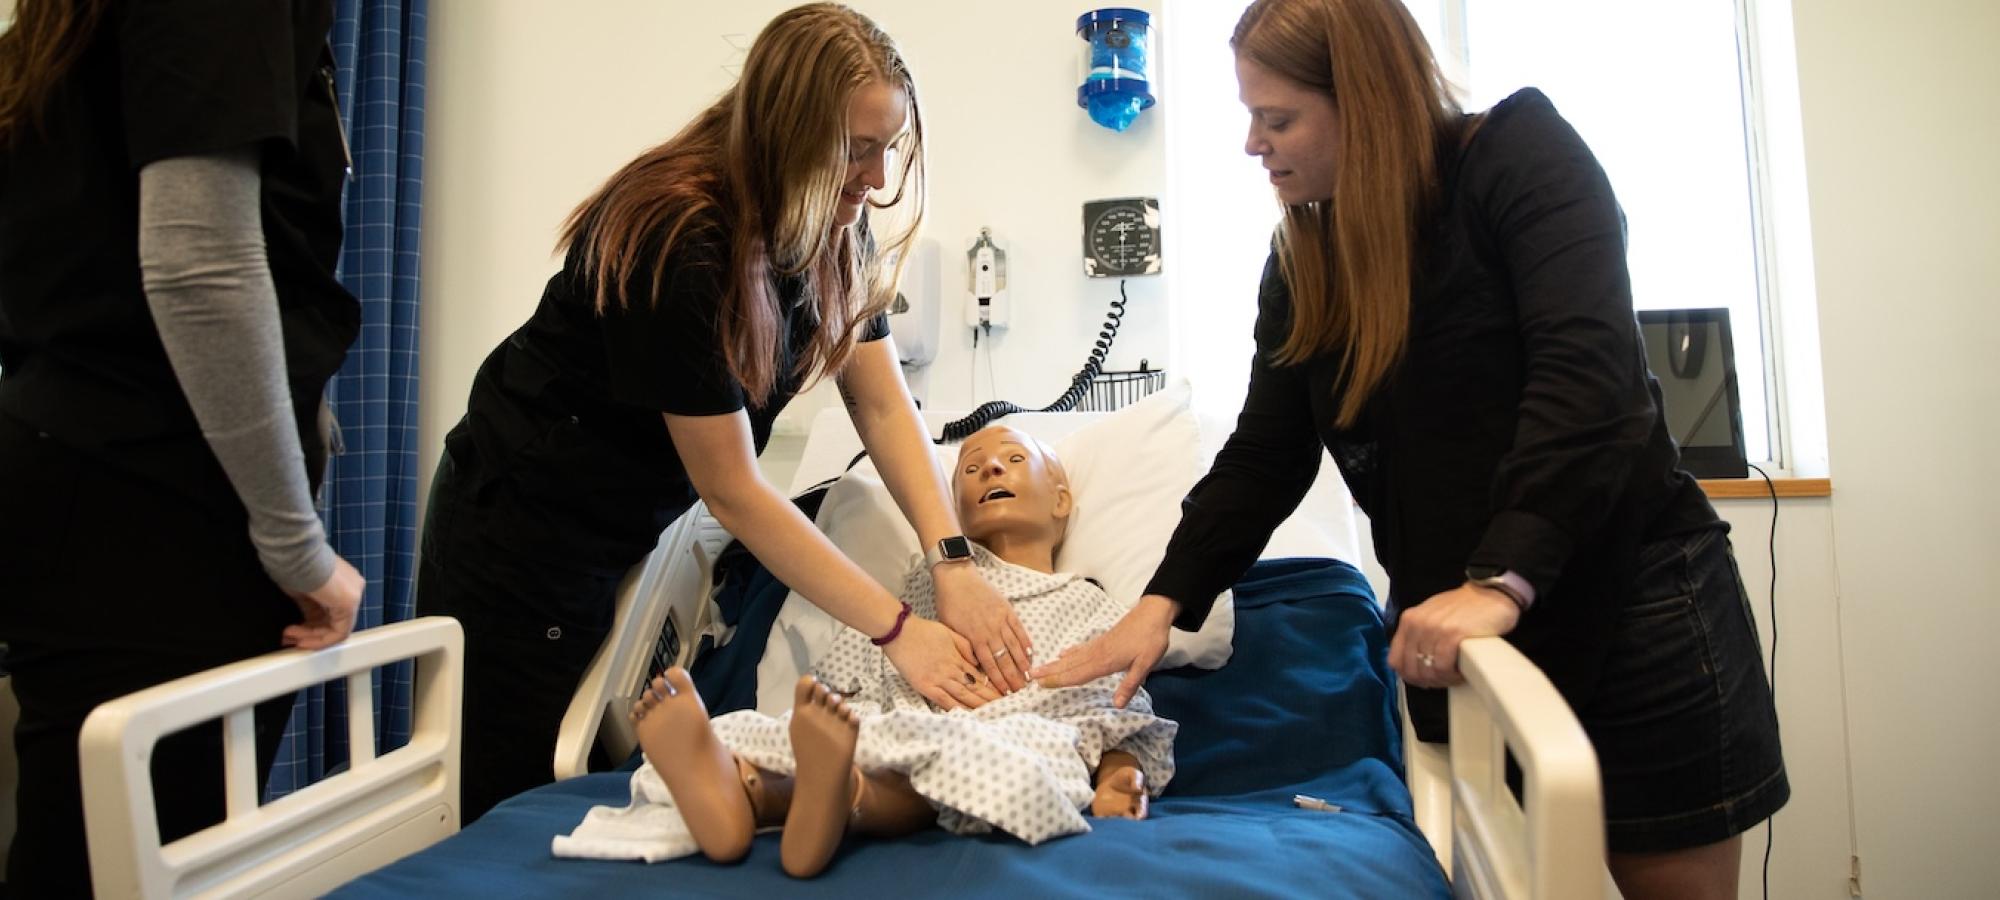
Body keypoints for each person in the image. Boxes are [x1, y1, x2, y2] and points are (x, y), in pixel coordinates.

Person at [1033, 1, 1788, 897]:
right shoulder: (1305, 259)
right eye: (1249, 117)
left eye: (1277, 119)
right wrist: (1163, 601)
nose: (1252, 144)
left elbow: (1590, 384)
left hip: (1633, 604)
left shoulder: (1521, 158)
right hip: (1460, 632)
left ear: (1370, 101)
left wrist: (1499, 581)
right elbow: (1266, 455)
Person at [418, 3, 1031, 825]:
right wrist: (900, 632)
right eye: (857, 151)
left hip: (624, 514)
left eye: (891, 148)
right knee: (511, 792)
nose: (878, 181)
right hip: (524, 521)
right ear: (787, 134)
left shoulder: (836, 225)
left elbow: (883, 405)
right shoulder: (679, 239)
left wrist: (952, 563)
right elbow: (735, 491)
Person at [0, 1, 365, 893]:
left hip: (93, 469)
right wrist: (296, 542)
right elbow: (199, 264)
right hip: (153, 500)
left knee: (89, 850)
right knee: (127, 864)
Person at [555, 424, 1172, 877]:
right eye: (971, 468)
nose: (990, 471)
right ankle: (759, 779)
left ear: (1062, 501)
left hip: (1017, 735)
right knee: (806, 733)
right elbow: (865, 655)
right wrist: (840, 709)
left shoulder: (1092, 603)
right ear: (951, 507)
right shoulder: (917, 587)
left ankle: (768, 797)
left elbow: (1114, 707)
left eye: (1014, 458)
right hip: (898, 723)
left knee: (986, 757)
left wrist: (1121, 776)